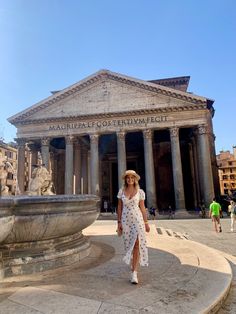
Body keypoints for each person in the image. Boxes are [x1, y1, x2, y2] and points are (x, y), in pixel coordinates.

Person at [117, 170, 150, 284]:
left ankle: (134, 273)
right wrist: (119, 222)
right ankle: (133, 262)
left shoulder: (140, 192)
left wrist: (146, 223)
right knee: (128, 244)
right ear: (125, 179)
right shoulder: (121, 191)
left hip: (137, 220)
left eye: (132, 177)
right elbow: (119, 208)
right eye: (128, 177)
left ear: (135, 179)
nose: (130, 179)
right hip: (126, 221)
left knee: (137, 243)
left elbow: (142, 208)